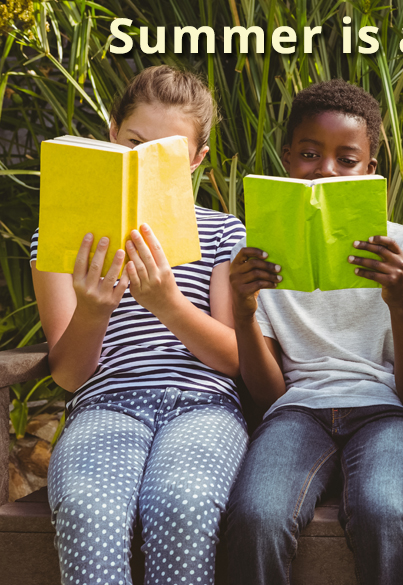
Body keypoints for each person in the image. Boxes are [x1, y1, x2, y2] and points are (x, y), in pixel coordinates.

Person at [33, 64, 246, 585]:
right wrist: (94, 309)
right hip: (106, 403)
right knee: (87, 509)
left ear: (195, 160)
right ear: (112, 134)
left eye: (166, 152)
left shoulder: (222, 232)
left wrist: (168, 304)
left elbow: (233, 357)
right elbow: (68, 375)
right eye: (134, 142)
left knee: (183, 503)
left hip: (202, 404)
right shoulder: (59, 237)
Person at [223, 78, 403, 585]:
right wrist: (243, 310)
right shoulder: (259, 251)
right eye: (311, 154)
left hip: (387, 412)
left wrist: (400, 302)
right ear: (288, 157)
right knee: (257, 516)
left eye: (347, 159)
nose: (326, 170)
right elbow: (269, 391)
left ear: (370, 171)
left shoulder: (402, 245)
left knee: (387, 511)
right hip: (298, 410)